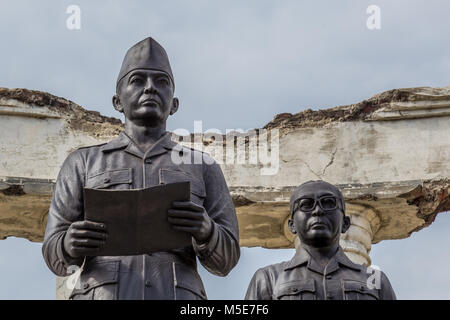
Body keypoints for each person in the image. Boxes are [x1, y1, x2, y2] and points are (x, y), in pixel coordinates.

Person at [42, 37, 240, 300]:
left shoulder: (202, 167)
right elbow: (54, 254)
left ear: (175, 103)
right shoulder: (82, 163)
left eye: (161, 82)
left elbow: (226, 261)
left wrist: (207, 231)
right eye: (137, 80)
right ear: (117, 101)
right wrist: (68, 244)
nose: (150, 88)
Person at [245, 180, 396, 300]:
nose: (317, 210)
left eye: (328, 203)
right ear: (292, 225)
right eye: (306, 204)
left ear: (345, 224)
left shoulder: (375, 279)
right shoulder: (268, 278)